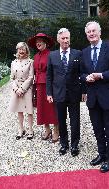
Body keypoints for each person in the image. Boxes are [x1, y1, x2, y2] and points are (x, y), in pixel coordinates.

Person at [80, 21, 109, 173]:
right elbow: (81, 73)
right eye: (89, 32)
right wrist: (85, 77)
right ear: (86, 35)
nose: (91, 33)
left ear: (99, 32)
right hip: (93, 99)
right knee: (98, 129)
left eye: (94, 31)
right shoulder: (85, 52)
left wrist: (102, 75)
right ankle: (101, 154)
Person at [46, 28, 86, 156]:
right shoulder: (52, 55)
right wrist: (49, 93)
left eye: (67, 38)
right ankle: (64, 144)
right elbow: (49, 76)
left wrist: (84, 91)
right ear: (58, 40)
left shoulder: (77, 54)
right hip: (58, 94)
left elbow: (82, 73)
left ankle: (74, 145)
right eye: (63, 38)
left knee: (75, 120)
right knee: (61, 121)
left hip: (74, 93)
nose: (65, 40)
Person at [28, 33, 59, 142]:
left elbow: (55, 71)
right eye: (37, 42)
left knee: (52, 107)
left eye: (40, 41)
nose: (38, 43)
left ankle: (56, 129)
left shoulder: (52, 54)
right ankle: (47, 129)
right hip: (39, 85)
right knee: (41, 107)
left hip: (50, 84)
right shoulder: (36, 56)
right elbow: (34, 72)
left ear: (45, 42)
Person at [9, 42, 34, 140]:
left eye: (23, 49)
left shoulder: (30, 62)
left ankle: (30, 130)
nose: (21, 51)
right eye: (19, 49)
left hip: (26, 88)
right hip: (16, 89)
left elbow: (31, 77)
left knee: (29, 110)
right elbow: (11, 78)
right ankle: (21, 129)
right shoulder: (13, 62)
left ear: (26, 50)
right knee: (19, 110)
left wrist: (22, 89)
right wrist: (16, 89)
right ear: (17, 50)